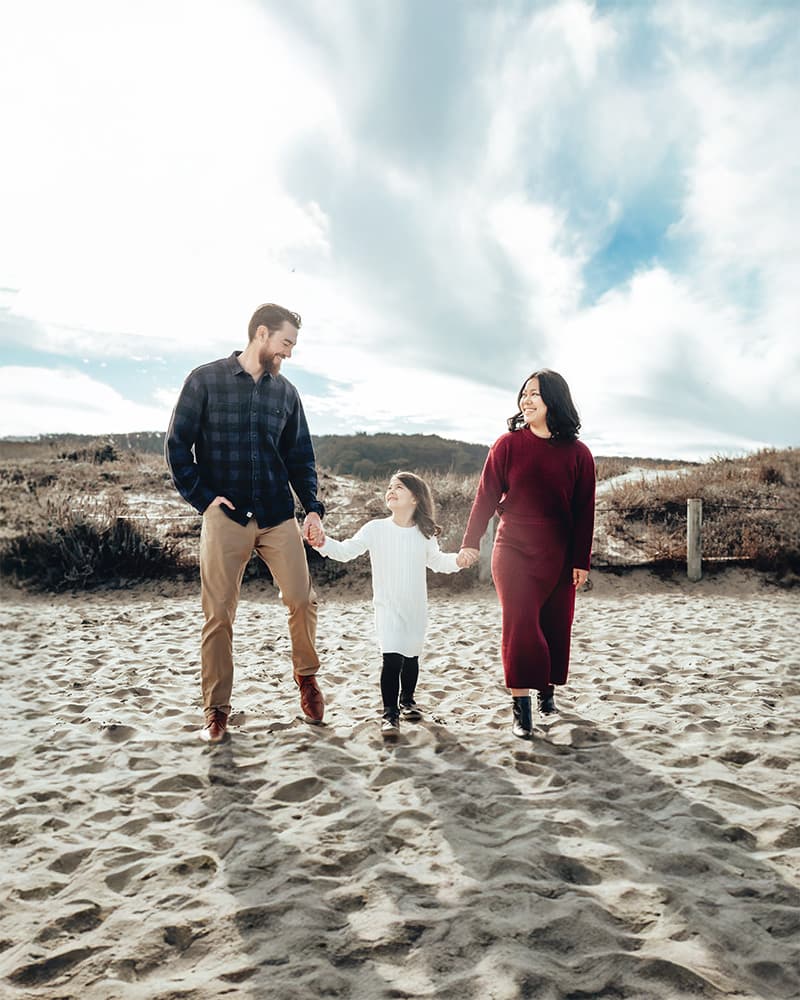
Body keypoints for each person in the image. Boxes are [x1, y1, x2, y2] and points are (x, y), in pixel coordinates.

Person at [165, 303, 326, 743]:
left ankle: (307, 679)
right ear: (261, 334)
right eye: (286, 342)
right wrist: (203, 500)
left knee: (302, 599)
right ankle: (216, 709)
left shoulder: (287, 394)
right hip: (226, 515)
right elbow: (178, 446)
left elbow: (300, 457)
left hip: (277, 515)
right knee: (218, 614)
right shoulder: (205, 380)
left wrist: (311, 507)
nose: (289, 352)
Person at [458, 370, 595, 739]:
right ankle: (521, 707)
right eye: (524, 394)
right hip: (513, 549)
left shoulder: (579, 454)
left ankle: (546, 689)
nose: (527, 400)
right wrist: (470, 541)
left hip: (560, 553)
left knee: (553, 625)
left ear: (555, 400)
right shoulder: (507, 445)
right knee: (519, 624)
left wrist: (581, 560)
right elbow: (485, 495)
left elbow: (585, 511)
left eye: (535, 394)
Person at [312, 472, 470, 735]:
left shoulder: (425, 534)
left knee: (411, 657)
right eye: (389, 487)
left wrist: (458, 561)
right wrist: (322, 543)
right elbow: (346, 551)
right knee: (392, 656)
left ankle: (407, 700)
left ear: (415, 498)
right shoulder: (376, 529)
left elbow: (438, 562)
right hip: (386, 606)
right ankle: (390, 714)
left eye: (399, 487)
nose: (391, 490)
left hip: (415, 607)